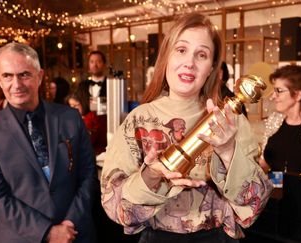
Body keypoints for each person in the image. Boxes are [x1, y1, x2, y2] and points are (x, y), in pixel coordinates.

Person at [101, 13, 272, 243]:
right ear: (166, 57)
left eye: (201, 55)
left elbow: (254, 208)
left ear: (212, 67)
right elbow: (114, 206)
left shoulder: (230, 122)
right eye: (181, 50)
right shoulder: (139, 119)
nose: (189, 63)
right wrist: (151, 175)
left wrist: (228, 152)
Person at [0, 42, 97, 243]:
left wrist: (71, 222)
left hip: (76, 233)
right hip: (23, 237)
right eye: (7, 76)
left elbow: (88, 175)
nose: (16, 84)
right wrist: (47, 232)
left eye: (24, 75)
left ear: (40, 76)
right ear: (0, 81)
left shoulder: (70, 118)